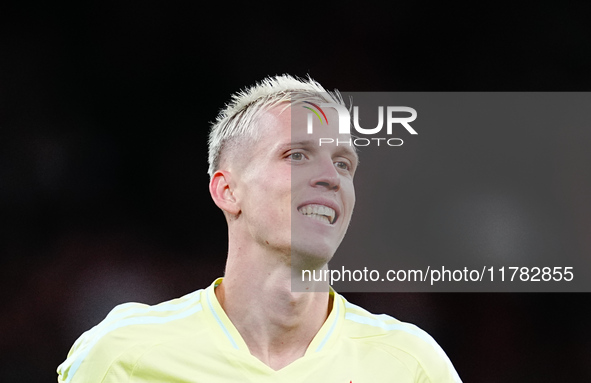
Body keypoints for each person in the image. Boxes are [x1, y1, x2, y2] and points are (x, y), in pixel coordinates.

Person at [57, 74, 462, 382]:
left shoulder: (412, 365)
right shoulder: (122, 358)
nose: (330, 177)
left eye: (343, 164)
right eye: (296, 154)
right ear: (228, 190)